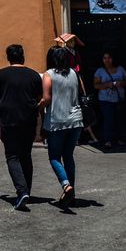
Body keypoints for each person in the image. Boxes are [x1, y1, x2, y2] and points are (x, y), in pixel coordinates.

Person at [0, 43, 43, 210]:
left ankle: (22, 191)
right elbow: (41, 99)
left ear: (8, 58)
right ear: (23, 57)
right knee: (26, 155)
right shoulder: (34, 76)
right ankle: (26, 189)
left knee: (12, 156)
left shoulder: (1, 75)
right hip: (29, 121)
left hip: (8, 120)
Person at [42, 46, 82, 206]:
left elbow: (46, 99)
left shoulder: (49, 74)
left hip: (57, 121)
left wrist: (37, 107)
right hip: (76, 120)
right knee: (68, 155)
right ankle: (71, 190)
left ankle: (66, 185)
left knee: (54, 157)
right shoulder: (74, 73)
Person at [93, 51, 126, 148]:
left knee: (119, 119)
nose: (107, 60)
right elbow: (96, 85)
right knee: (108, 119)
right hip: (105, 99)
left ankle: (120, 138)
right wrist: (107, 85)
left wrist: (121, 83)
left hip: (119, 99)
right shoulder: (100, 71)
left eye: (109, 58)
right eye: (105, 58)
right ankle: (107, 140)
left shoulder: (120, 69)